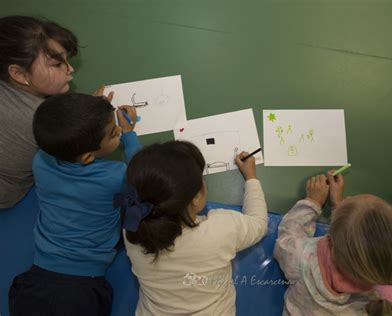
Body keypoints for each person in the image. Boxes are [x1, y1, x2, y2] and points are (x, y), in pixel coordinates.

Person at [9, 93, 140, 316]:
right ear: (88, 157)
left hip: (35, 281)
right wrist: (129, 136)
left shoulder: (40, 161)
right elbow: (143, 179)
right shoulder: (115, 177)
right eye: (112, 133)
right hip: (82, 288)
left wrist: (83, 115)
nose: (117, 130)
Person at [115, 141, 268, 315]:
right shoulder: (221, 229)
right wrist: (251, 177)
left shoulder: (132, 229)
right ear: (196, 198)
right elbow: (259, 224)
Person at [0, 15, 111, 209]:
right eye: (57, 64)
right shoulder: (37, 120)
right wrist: (90, 117)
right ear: (18, 73)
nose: (70, 69)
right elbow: (85, 152)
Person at [274, 172, 392, 316]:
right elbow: (359, 245)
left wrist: (312, 202)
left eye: (351, 199)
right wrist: (343, 211)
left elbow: (286, 237)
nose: (348, 198)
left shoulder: (302, 259)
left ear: (332, 243)